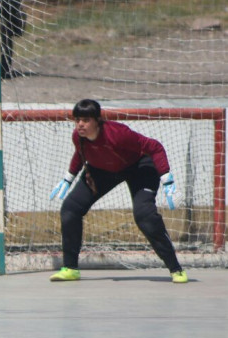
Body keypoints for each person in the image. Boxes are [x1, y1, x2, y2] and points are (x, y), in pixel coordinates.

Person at [48, 99, 188, 283]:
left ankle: (175, 268)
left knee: (144, 215)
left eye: (85, 120)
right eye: (77, 120)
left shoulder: (118, 134)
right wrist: (68, 177)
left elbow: (155, 147)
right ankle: (70, 268)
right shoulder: (78, 136)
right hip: (102, 170)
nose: (80, 124)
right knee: (70, 209)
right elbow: (81, 153)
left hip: (138, 167)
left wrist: (167, 180)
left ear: (97, 120)